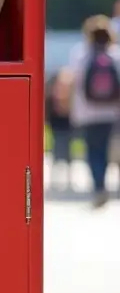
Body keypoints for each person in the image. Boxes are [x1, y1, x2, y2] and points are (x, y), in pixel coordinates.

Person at [67, 15, 120, 208]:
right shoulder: (115, 54)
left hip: (88, 113)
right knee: (107, 149)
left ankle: (99, 186)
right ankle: (106, 184)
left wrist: (71, 110)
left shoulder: (80, 54)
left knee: (93, 151)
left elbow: (74, 83)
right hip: (111, 112)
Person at [45, 68, 74, 191]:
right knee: (58, 151)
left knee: (66, 153)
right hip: (58, 125)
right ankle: (58, 179)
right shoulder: (52, 96)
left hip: (65, 125)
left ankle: (66, 179)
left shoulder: (61, 95)